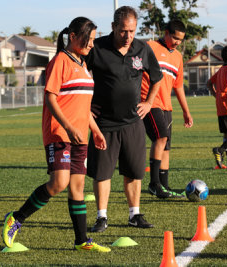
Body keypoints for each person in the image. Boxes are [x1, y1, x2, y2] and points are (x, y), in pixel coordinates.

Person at [1, 17, 110, 252]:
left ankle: (81, 240)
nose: (92, 44)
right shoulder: (60, 60)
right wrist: (69, 127)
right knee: (59, 183)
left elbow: (82, 107)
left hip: (81, 135)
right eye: (89, 39)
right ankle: (16, 218)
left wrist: (96, 130)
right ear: (73, 37)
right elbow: (50, 98)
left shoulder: (82, 65)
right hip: (60, 133)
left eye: (93, 40)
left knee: (78, 188)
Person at [85, 6, 162, 233]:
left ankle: (134, 214)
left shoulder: (142, 48)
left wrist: (149, 103)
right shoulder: (97, 48)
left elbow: (156, 77)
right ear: (113, 27)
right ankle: (101, 217)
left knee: (134, 171)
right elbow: (77, 73)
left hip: (133, 123)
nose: (128, 36)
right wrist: (86, 105)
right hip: (104, 124)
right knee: (102, 173)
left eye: (132, 31)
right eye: (123, 31)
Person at [141, 20, 193, 199]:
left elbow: (178, 87)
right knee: (160, 137)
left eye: (180, 40)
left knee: (166, 147)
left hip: (166, 106)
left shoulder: (178, 57)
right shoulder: (149, 47)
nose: (177, 42)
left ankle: (164, 186)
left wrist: (186, 111)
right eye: (175, 38)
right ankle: (154, 184)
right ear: (166, 33)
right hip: (149, 102)